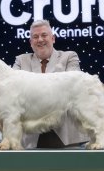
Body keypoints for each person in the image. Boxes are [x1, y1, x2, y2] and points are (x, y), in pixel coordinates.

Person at [12, 19, 89, 148]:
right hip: (31, 136)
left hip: (64, 134)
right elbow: (11, 87)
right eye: (35, 37)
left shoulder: (69, 57)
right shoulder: (21, 60)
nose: (40, 39)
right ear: (31, 42)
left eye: (44, 35)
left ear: (53, 38)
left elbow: (73, 85)